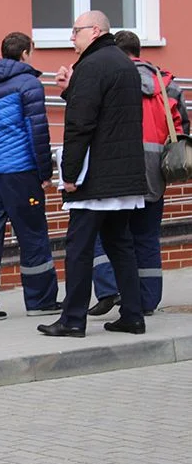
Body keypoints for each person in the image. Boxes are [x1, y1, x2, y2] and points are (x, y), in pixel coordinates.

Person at [38, 10, 147, 338]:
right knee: (121, 245)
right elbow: (107, 111)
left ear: (95, 30)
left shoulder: (91, 65)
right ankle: (133, 316)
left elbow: (80, 124)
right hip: (124, 175)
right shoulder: (124, 64)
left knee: (79, 249)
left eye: (76, 31)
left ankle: (72, 319)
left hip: (95, 178)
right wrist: (71, 88)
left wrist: (69, 174)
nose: (72, 37)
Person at [86, 29, 189, 318]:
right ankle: (147, 300)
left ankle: (109, 289)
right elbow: (181, 127)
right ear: (138, 51)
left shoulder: (112, 78)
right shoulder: (166, 83)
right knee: (146, 236)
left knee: (104, 231)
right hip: (155, 171)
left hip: (118, 168)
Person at [0, 31, 60, 322]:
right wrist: (45, 172)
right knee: (33, 236)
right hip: (21, 173)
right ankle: (40, 301)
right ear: (25, 53)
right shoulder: (29, 84)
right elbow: (38, 132)